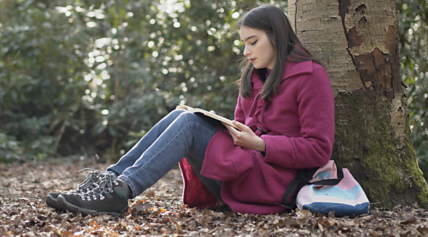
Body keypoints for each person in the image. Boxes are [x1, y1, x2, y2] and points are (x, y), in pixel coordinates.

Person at [45, 4, 335, 216]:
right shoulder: (253, 76)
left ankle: (120, 193)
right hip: (242, 171)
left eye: (253, 42)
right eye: (244, 43)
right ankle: (109, 183)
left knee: (189, 122)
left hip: (273, 186)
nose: (246, 51)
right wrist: (230, 129)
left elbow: (319, 149)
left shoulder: (310, 77)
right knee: (181, 115)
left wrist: (260, 144)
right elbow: (240, 126)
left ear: (277, 36)